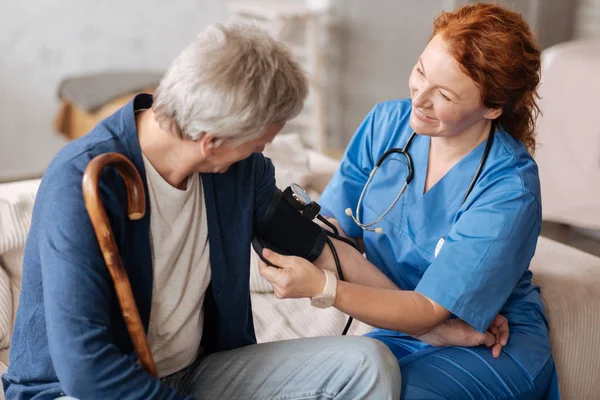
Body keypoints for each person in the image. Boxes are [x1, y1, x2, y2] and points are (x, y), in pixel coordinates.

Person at [2, 24, 403, 399]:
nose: (262, 150)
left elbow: (320, 249)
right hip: (84, 390)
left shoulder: (239, 172)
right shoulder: (85, 180)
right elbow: (85, 368)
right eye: (259, 141)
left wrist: (425, 319)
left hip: (196, 371)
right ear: (210, 142)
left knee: (370, 365)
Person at [258, 4, 559, 399]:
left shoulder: (508, 189)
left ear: (492, 108)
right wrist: (429, 326)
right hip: (405, 323)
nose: (420, 98)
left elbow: (428, 308)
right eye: (421, 71)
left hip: (487, 342)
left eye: (445, 95)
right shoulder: (386, 125)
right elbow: (333, 239)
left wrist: (324, 287)